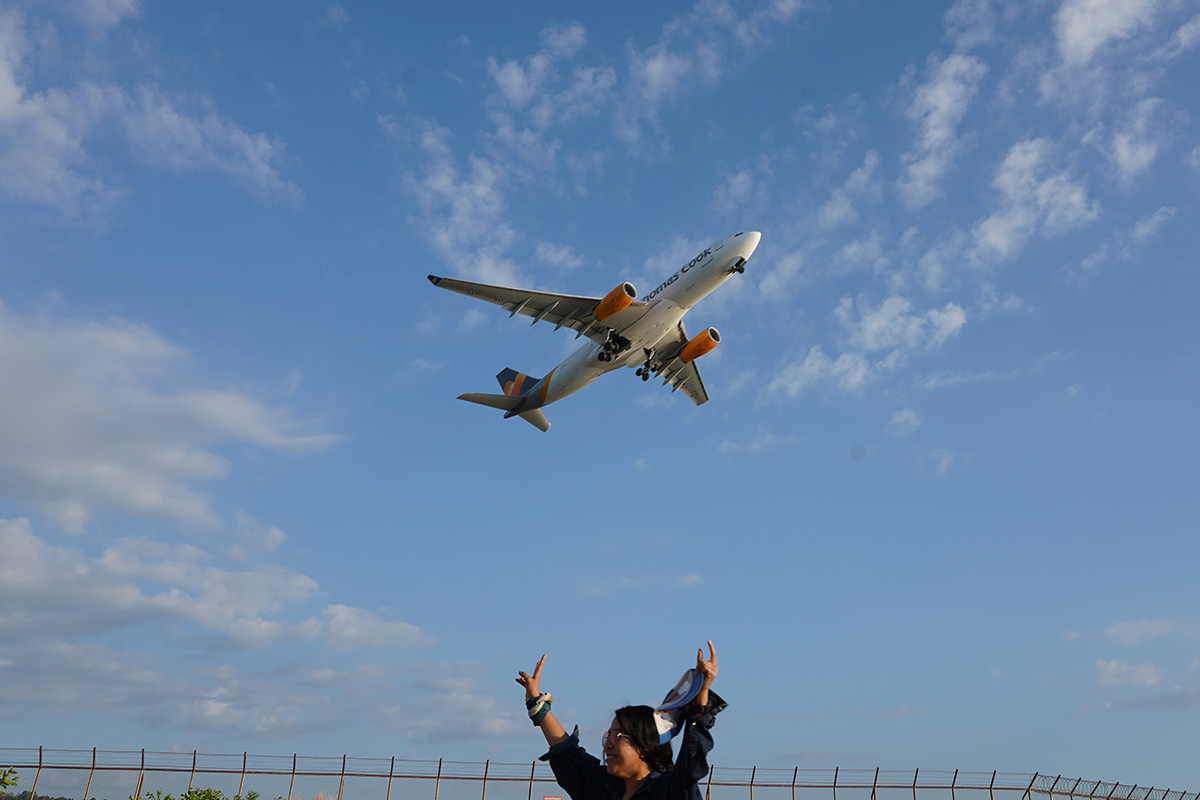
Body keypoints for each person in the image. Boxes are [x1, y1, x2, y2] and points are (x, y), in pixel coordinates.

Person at [516, 641, 725, 800]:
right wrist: (537, 705)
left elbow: (691, 762)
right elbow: (568, 756)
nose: (609, 743)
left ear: (645, 746)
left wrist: (701, 696)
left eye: (619, 735)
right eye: (609, 735)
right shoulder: (603, 787)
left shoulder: (669, 791)